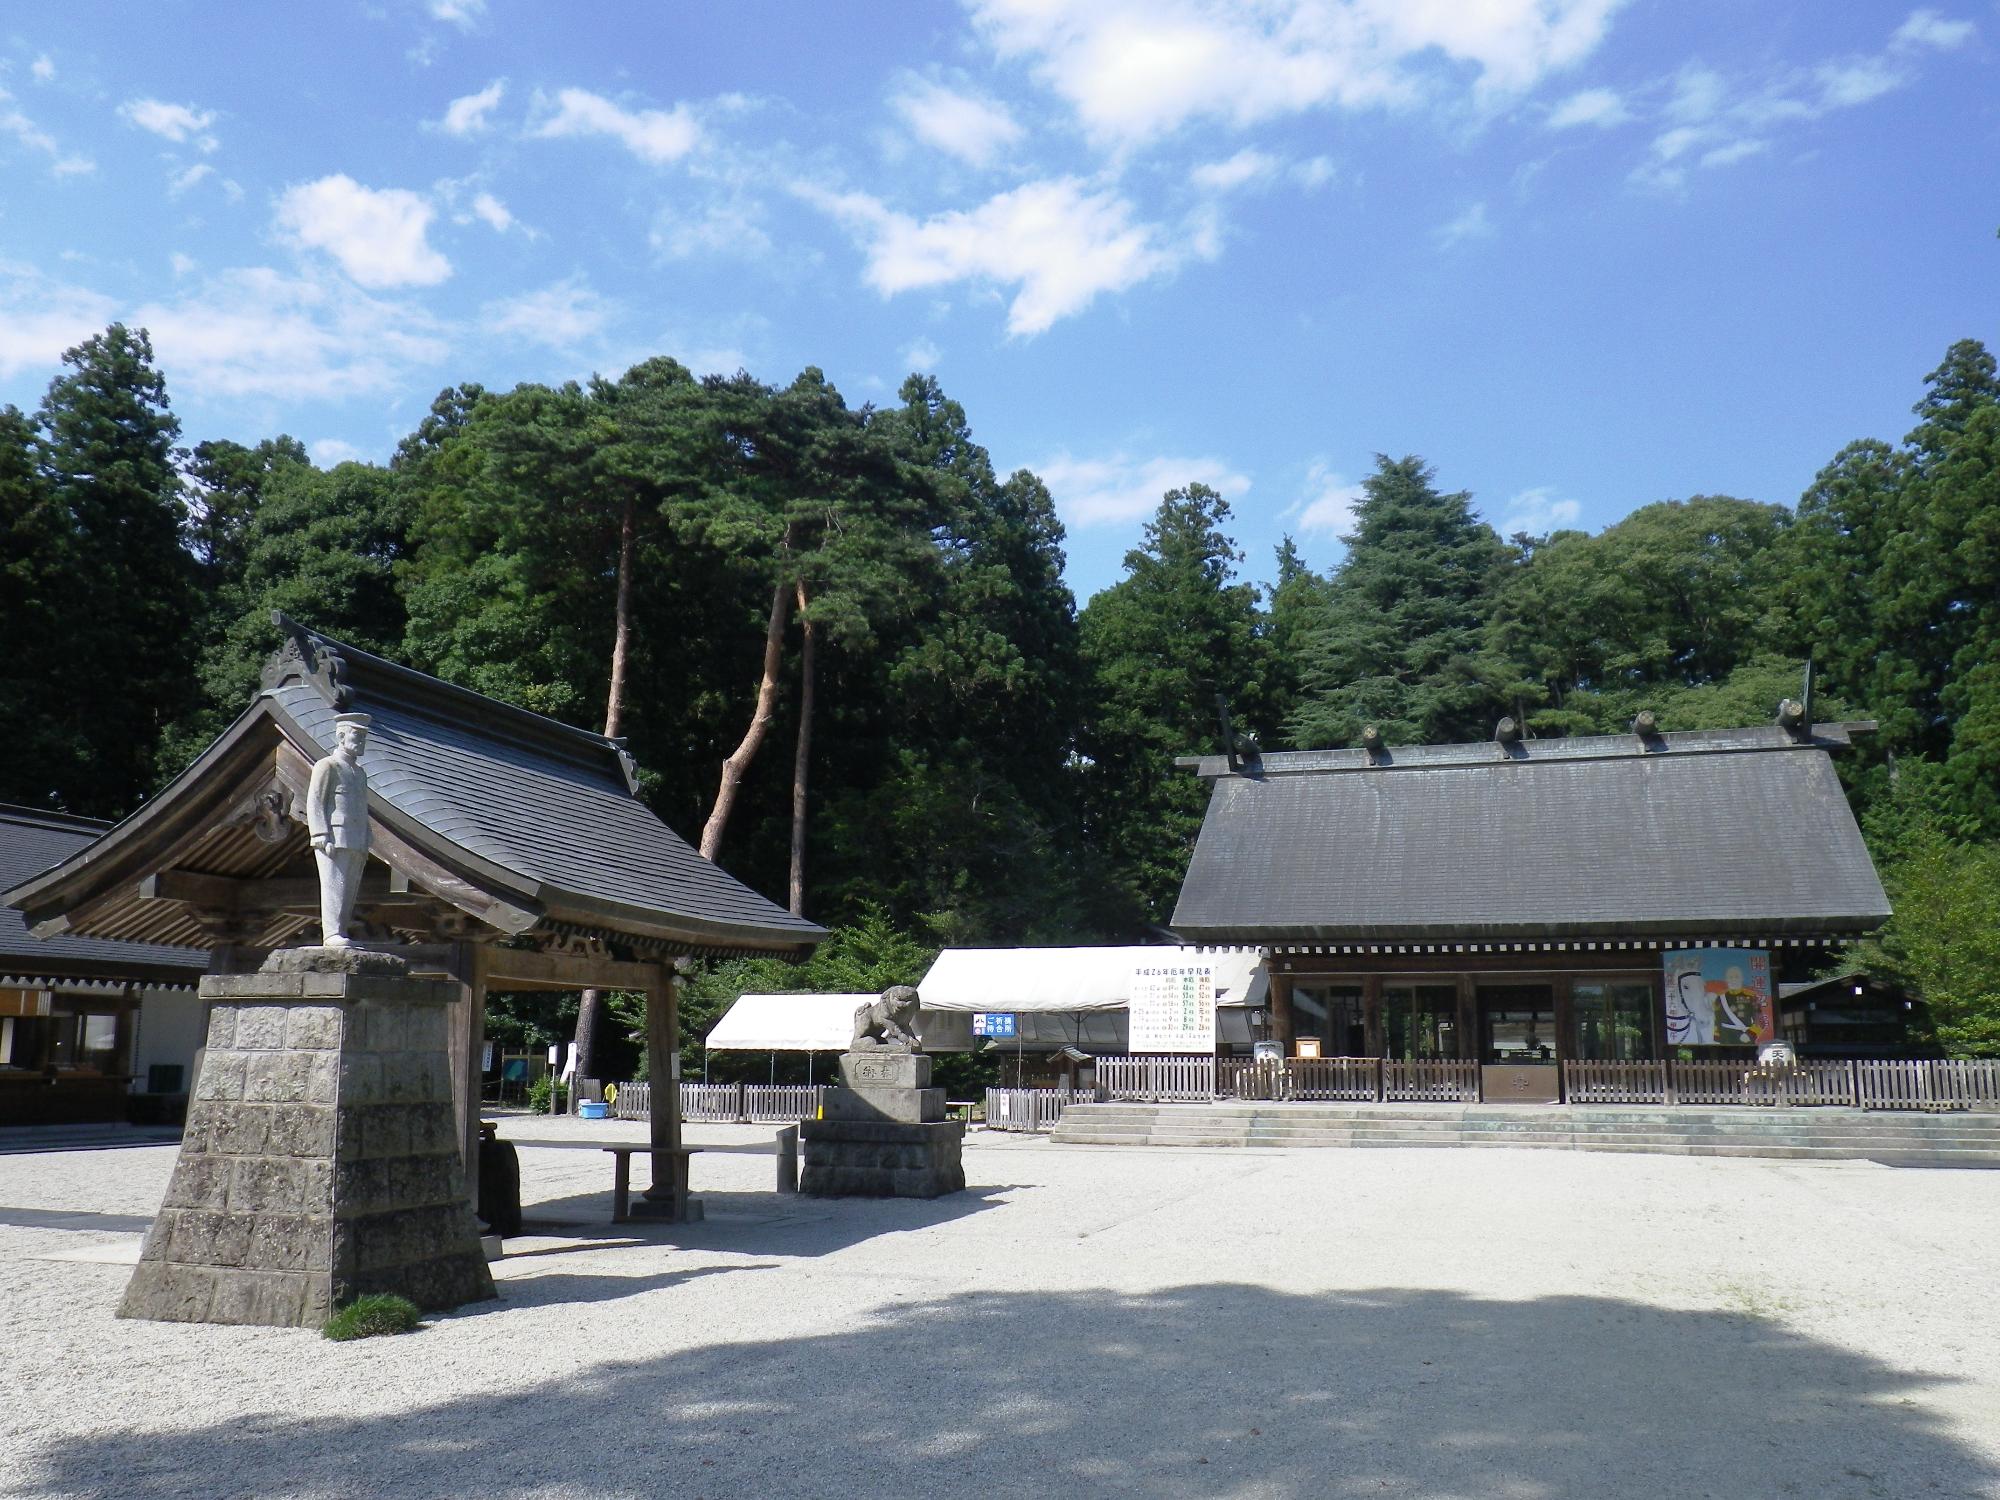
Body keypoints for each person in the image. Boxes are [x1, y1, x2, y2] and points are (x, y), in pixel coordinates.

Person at [307, 713, 372, 947]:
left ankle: (341, 930)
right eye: (357, 735)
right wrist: (320, 833)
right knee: (334, 883)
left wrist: (367, 833)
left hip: (356, 836)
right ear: (341, 736)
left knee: (350, 887)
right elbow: (315, 800)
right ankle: (331, 932)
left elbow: (362, 806)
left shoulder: (360, 773)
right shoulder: (328, 765)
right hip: (334, 834)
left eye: (364, 736)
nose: (362, 741)